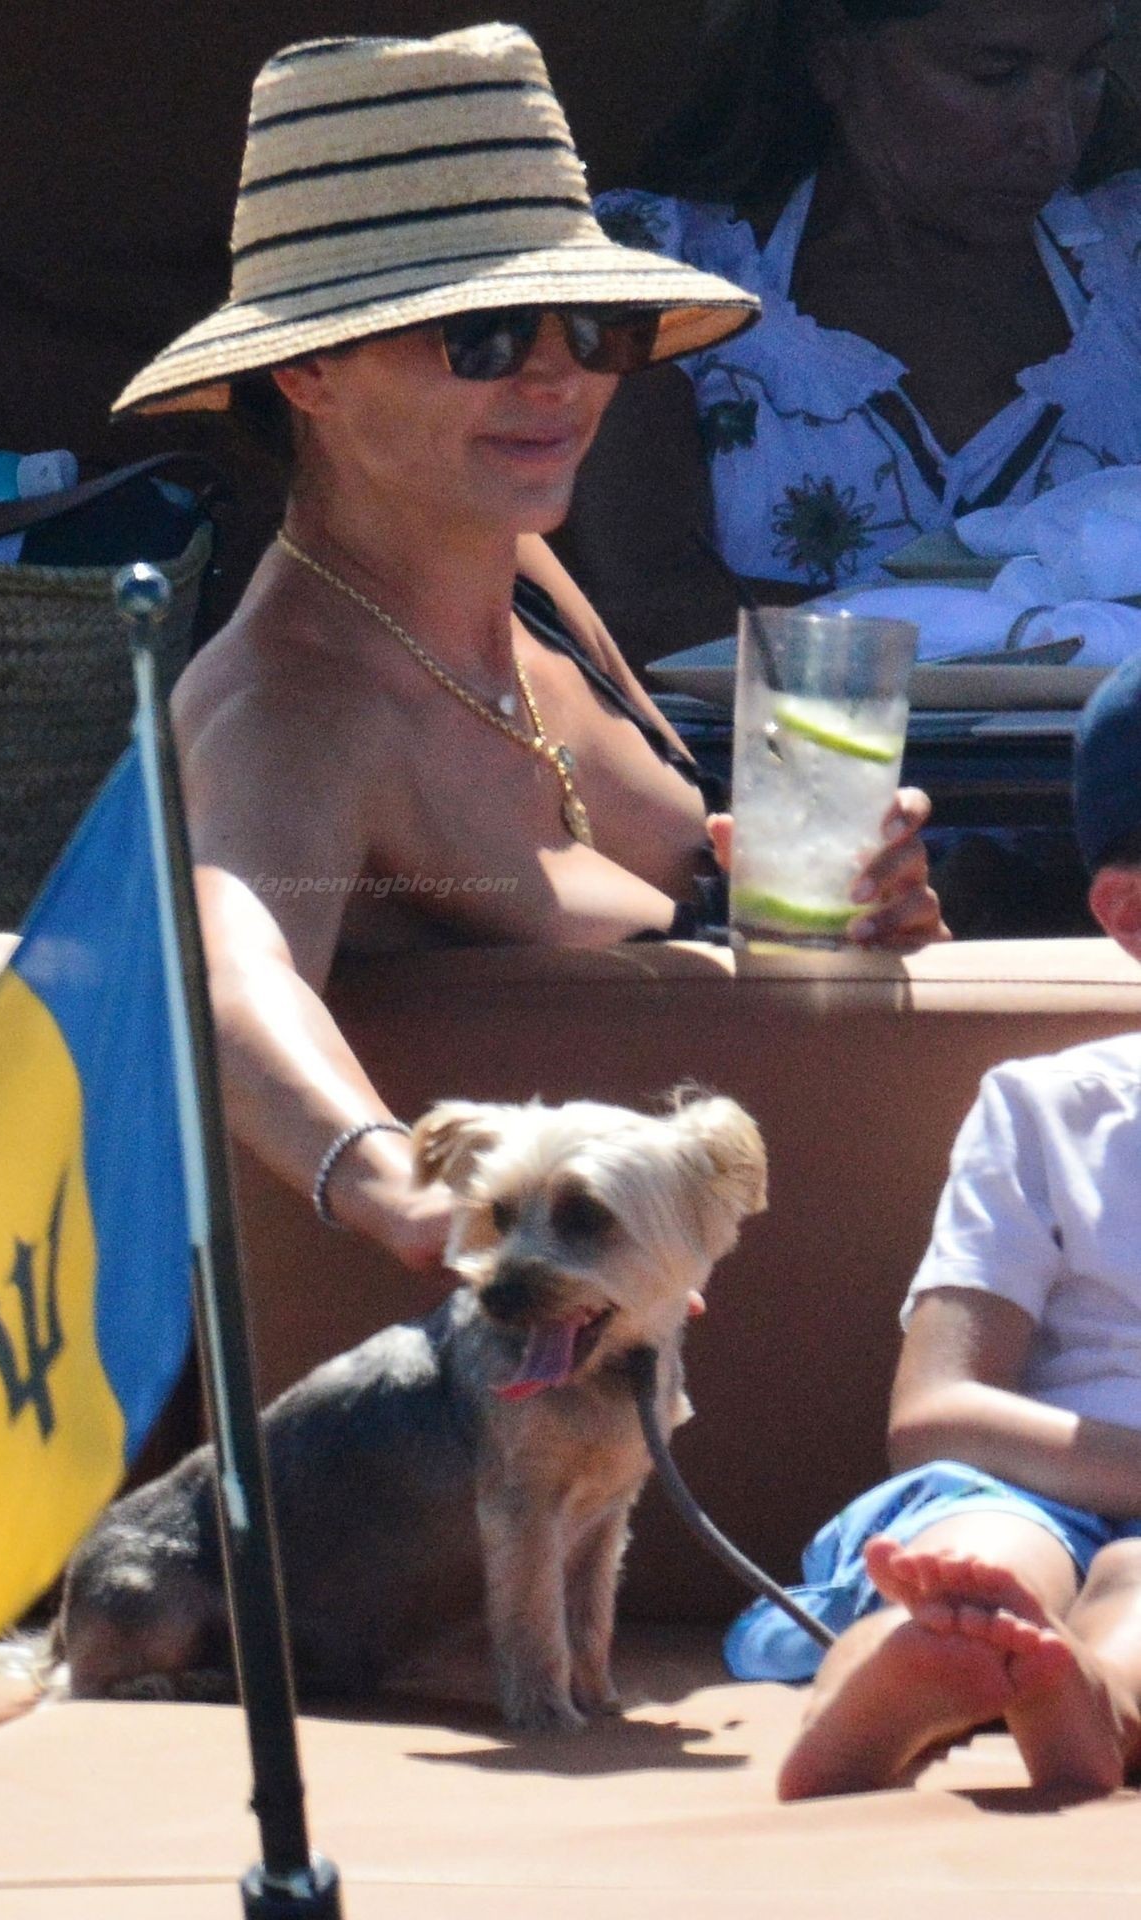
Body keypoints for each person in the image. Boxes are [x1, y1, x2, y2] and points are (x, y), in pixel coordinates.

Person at [110, 24, 947, 1278]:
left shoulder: (526, 577)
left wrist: (878, 922)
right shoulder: (295, 707)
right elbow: (217, 977)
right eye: (486, 336)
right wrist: (414, 1201)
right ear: (310, 372)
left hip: (785, 1244)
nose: (557, 376)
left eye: (592, 326)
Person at [726, 652, 1141, 1800]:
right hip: (1022, 1487)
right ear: (1129, 914)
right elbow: (933, 1414)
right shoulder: (1048, 1109)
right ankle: (894, 1681)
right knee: (976, 1559)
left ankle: (1086, 1701)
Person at [562, 0, 1141, 663]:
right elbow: (645, 607)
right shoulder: (659, 269)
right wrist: (1002, 633)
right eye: (996, 74)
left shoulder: (1126, 263)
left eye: (1088, 69)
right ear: (834, 56)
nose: (1056, 137)